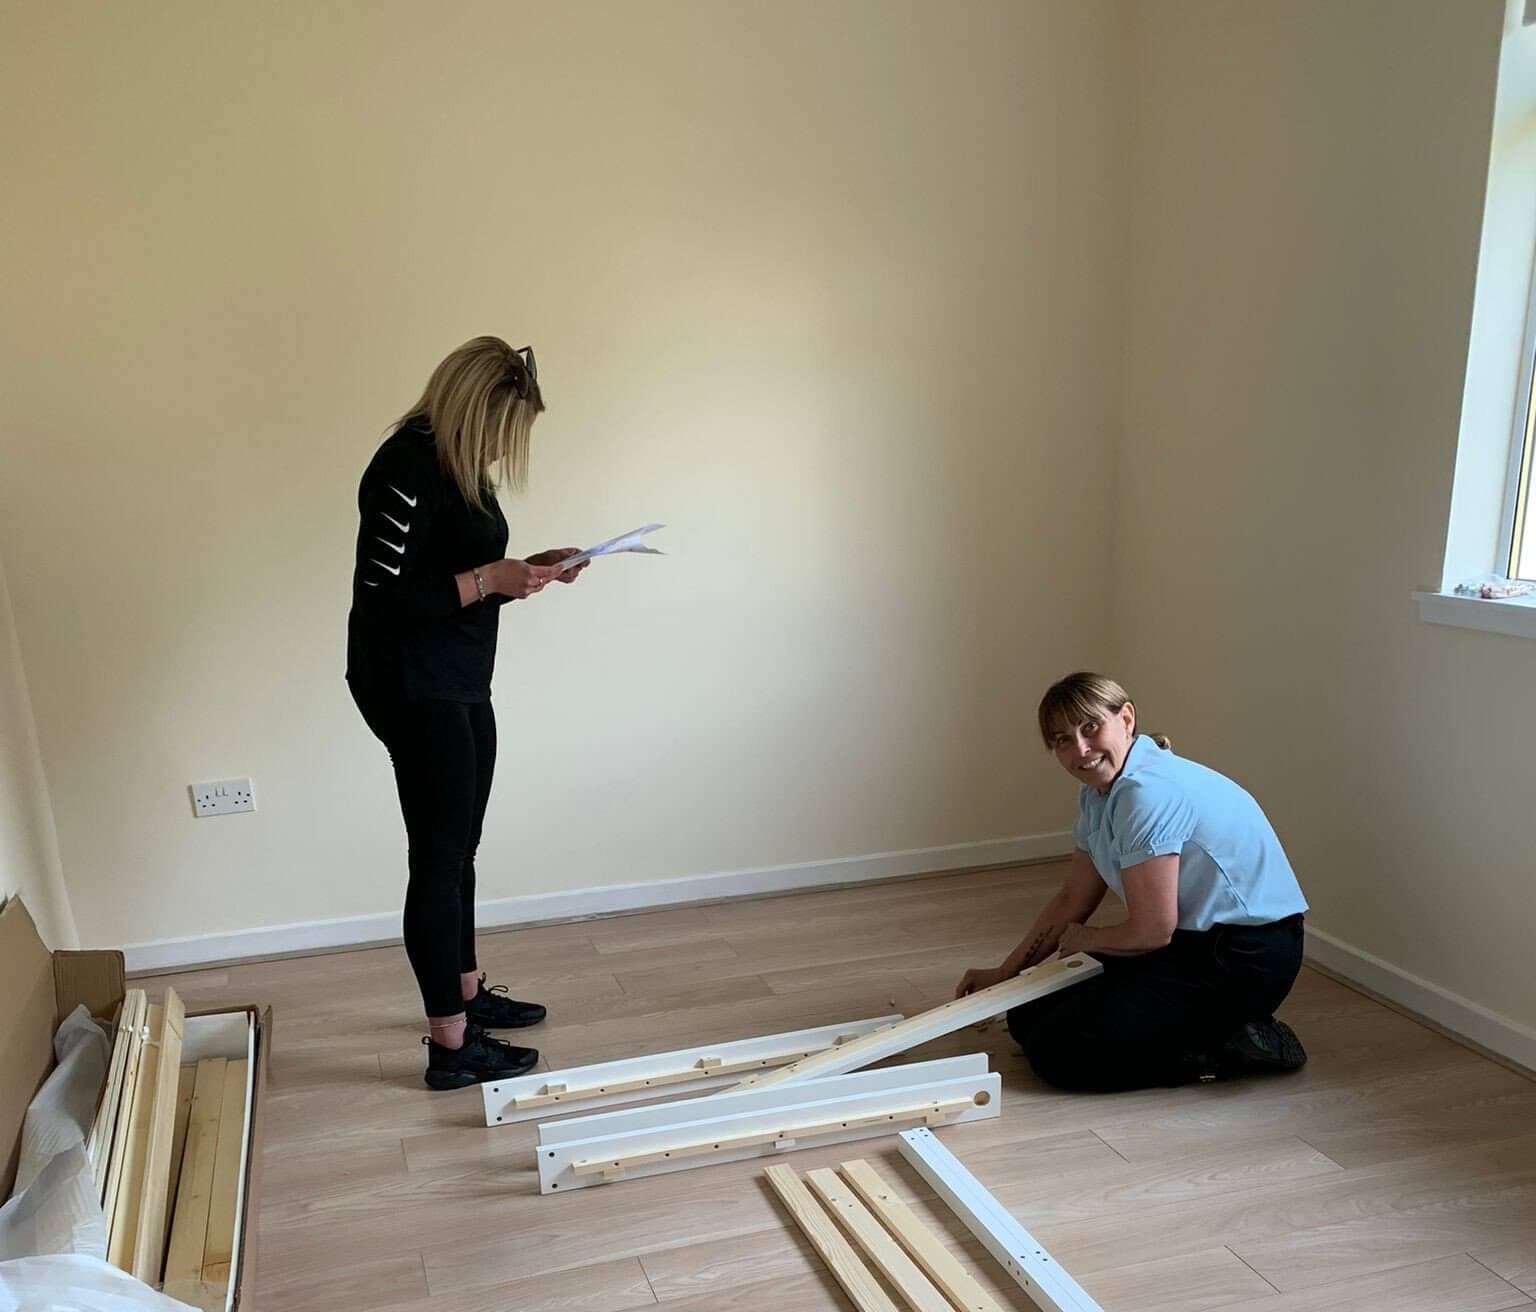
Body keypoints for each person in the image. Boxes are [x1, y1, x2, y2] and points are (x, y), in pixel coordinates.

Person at [346, 336, 589, 1091]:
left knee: (462, 849)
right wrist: (489, 579)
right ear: (471, 408)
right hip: (409, 683)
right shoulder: (402, 468)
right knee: (439, 858)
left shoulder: (460, 470)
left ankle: (467, 992)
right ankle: (450, 1048)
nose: (500, 450)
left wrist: (529, 570)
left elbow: (462, 571)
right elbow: (384, 601)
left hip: (459, 677)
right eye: (499, 431)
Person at [955, 672, 1308, 1092]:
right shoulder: (1099, 792)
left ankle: (1230, 1046)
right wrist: (1005, 975)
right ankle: (1203, 1027)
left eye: (1090, 727)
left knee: (1059, 1056)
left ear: (1126, 718)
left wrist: (1089, 938)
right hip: (1192, 940)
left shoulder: (1147, 794)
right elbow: (1072, 898)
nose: (1081, 750)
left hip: (1248, 956)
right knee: (1026, 1013)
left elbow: (1151, 930)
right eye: (1063, 739)